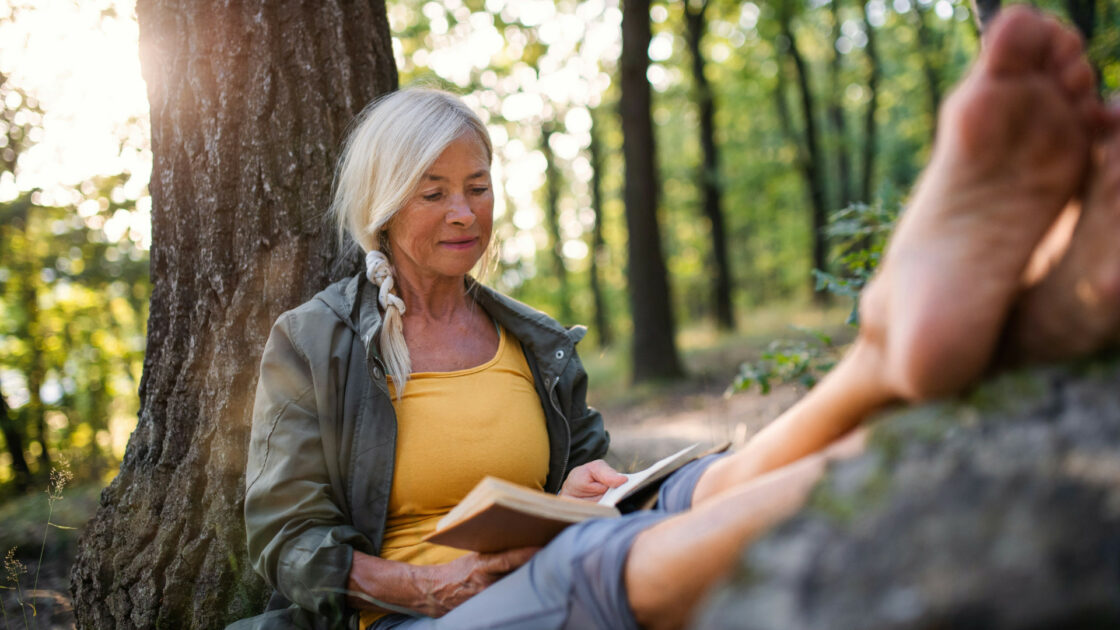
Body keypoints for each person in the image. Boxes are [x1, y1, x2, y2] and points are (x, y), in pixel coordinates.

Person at [233, 7, 1118, 629]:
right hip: (417, 620)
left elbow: (584, 474)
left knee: (689, 489)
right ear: (385, 205)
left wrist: (589, 483)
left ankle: (889, 358)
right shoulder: (317, 342)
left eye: (477, 186)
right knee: (592, 567)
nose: (466, 212)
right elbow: (287, 545)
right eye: (434, 193)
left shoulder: (528, 338)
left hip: (542, 561)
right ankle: (951, 391)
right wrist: (435, 590)